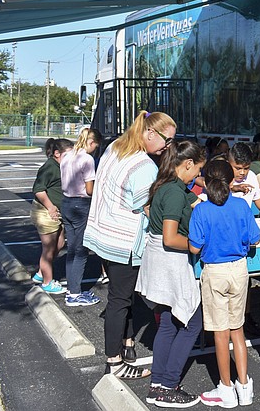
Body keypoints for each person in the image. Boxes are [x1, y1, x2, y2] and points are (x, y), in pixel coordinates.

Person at [84, 110, 176, 380]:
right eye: (166, 140)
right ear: (150, 133)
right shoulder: (144, 166)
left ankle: (127, 343)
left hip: (104, 234)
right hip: (124, 242)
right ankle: (114, 361)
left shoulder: (115, 146)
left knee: (123, 295)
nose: (167, 146)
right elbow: (146, 207)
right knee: (120, 300)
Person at [137, 139, 205, 408]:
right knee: (192, 323)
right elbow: (169, 237)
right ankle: (168, 385)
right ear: (187, 164)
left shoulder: (168, 186)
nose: (197, 175)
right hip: (171, 261)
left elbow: (198, 203)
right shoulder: (176, 192)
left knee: (167, 322)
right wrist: (195, 246)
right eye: (197, 169)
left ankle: (157, 384)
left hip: (156, 262)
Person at [188, 159, 260, 408]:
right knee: (237, 330)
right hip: (239, 270)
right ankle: (245, 385)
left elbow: (194, 246)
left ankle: (226, 388)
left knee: (221, 334)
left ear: (205, 183)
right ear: (232, 182)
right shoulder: (241, 205)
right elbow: (254, 238)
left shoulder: (201, 210)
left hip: (215, 271)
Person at [59, 127, 102, 306]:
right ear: (91, 143)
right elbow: (90, 188)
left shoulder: (66, 156)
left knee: (72, 249)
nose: (95, 149)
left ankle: (72, 288)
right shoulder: (87, 159)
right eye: (96, 146)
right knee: (81, 251)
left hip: (66, 202)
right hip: (81, 204)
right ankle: (75, 293)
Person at [30, 137, 74, 294]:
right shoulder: (49, 167)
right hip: (45, 212)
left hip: (57, 212)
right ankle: (47, 282)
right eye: (68, 155)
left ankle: (41, 274)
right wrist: (50, 207)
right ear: (57, 153)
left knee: (60, 244)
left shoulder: (62, 166)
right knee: (48, 250)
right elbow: (38, 190)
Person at [228, 142, 260, 219]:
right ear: (229, 162)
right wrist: (233, 188)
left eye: (246, 168)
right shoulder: (223, 175)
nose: (242, 173)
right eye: (238, 168)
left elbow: (257, 197)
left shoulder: (251, 176)